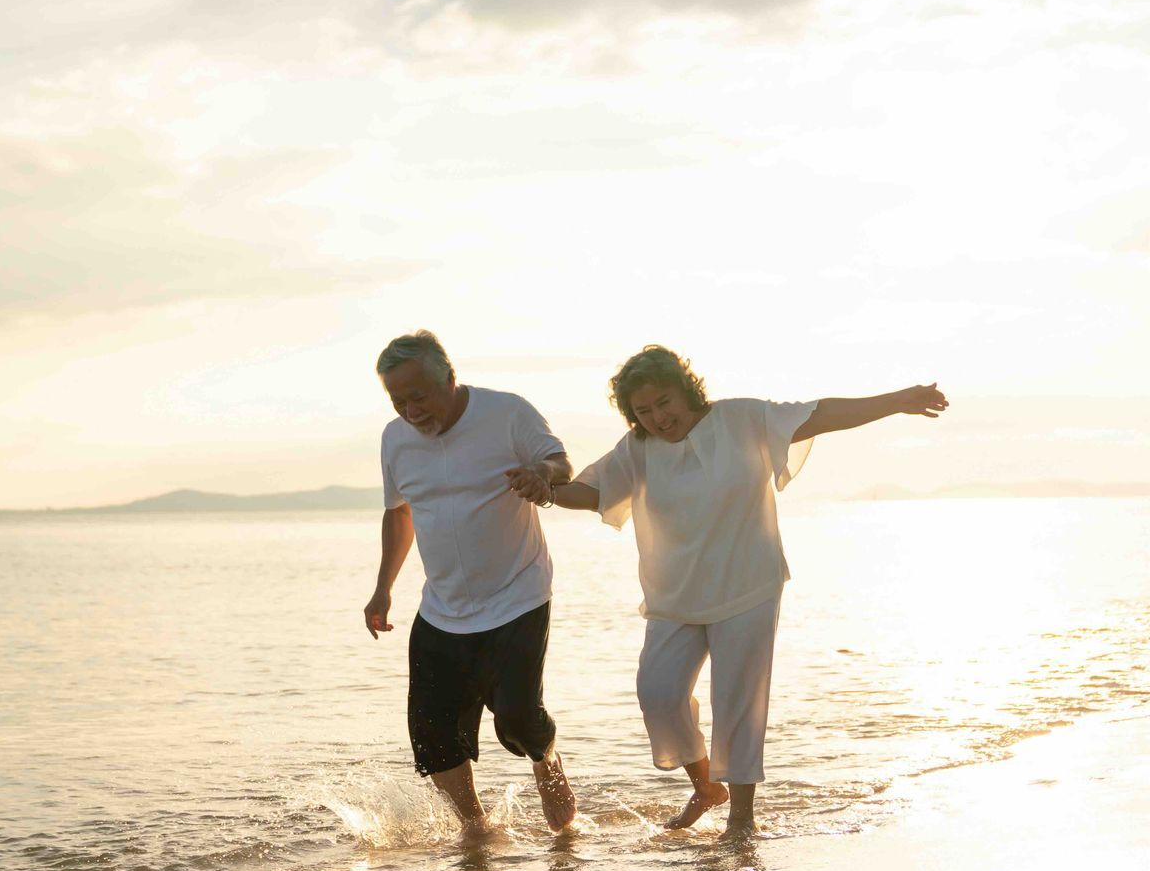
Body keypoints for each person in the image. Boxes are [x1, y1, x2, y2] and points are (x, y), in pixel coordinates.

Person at [535, 345, 947, 837]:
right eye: (643, 411)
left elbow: (822, 414)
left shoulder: (742, 419)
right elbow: (594, 490)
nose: (657, 417)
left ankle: (741, 822)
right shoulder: (638, 447)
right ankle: (707, 786)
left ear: (686, 390)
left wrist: (897, 399)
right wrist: (542, 491)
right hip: (675, 595)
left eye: (664, 402)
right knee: (659, 694)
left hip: (748, 585)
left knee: (738, 703)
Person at [364, 331, 578, 836]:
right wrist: (383, 587)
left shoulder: (506, 413)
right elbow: (399, 513)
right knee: (432, 735)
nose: (411, 411)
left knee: (518, 720)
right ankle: (475, 829)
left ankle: (547, 762)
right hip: (443, 608)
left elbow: (560, 463)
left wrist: (540, 473)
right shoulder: (394, 439)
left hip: (517, 595)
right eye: (398, 401)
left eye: (419, 396)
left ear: (450, 379)